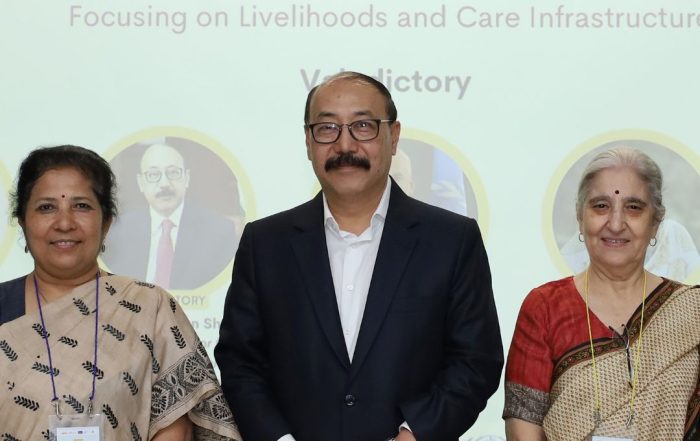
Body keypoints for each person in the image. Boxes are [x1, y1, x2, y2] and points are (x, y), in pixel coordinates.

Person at [215, 71, 503, 441]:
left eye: (363, 126)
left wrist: (413, 435)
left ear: (393, 136)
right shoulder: (265, 243)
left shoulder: (452, 240)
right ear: (308, 142)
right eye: (327, 128)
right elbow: (240, 363)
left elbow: (475, 361)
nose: (345, 145)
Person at [0, 145, 240, 440]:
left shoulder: (149, 308)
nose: (64, 223)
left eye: (81, 206)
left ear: (106, 222)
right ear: (23, 222)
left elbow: (175, 424)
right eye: (46, 207)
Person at [503, 147, 700, 440]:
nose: (616, 224)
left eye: (634, 207)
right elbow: (523, 429)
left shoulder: (692, 311)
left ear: (656, 222)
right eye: (601, 206)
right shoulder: (545, 307)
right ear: (580, 217)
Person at [102, 143, 239, 289]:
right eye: (153, 175)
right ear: (141, 183)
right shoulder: (117, 230)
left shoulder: (219, 231)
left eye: (173, 173)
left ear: (186, 178)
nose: (164, 183)